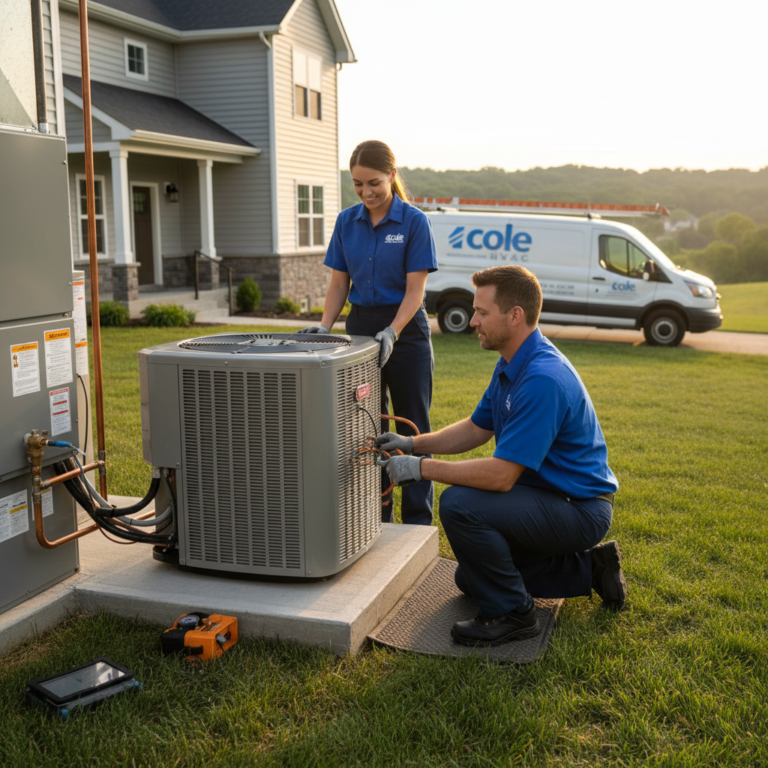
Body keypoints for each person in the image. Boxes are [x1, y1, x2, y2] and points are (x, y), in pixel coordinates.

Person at [378, 265, 626, 647]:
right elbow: (477, 428)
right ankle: (591, 569)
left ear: (515, 315)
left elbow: (500, 476)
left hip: (578, 508)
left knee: (460, 505)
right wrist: (413, 444)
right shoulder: (514, 361)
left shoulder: (543, 378)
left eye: (482, 312)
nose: (472, 321)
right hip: (547, 495)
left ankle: (513, 614)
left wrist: (421, 468)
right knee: (469, 578)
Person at [298, 140, 438, 525]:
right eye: (358, 184)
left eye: (374, 183)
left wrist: (392, 331)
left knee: (411, 424)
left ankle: (417, 521)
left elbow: (415, 291)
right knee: (367, 422)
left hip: (405, 331)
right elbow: (339, 284)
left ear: (392, 176)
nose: (366, 192)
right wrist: (324, 326)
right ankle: (376, 515)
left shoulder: (414, 222)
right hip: (360, 330)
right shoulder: (347, 222)